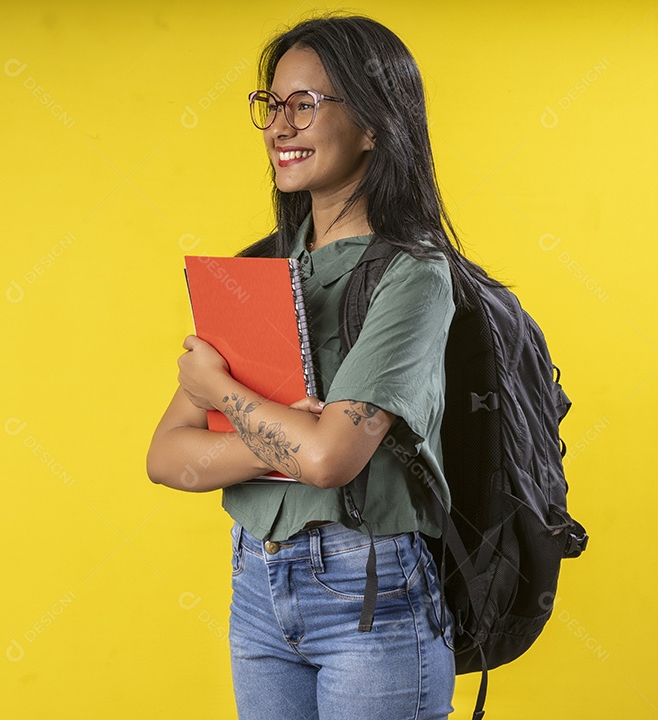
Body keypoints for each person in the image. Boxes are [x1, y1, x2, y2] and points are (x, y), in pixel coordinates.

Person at [147, 13, 497, 720]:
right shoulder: (256, 270)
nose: (281, 126)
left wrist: (220, 393)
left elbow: (331, 458)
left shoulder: (413, 274)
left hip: (370, 593)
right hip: (257, 584)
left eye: (305, 105)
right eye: (272, 106)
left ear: (374, 125)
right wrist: (282, 439)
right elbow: (166, 456)